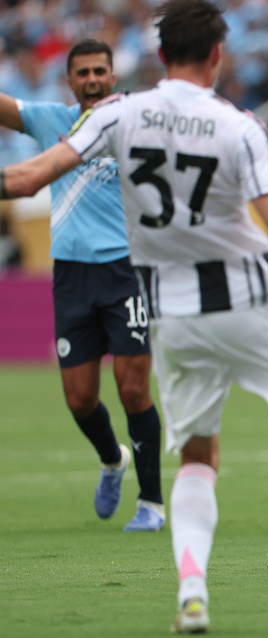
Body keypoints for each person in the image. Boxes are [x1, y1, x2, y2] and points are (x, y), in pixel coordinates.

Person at [0, 1, 268, 633]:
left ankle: (193, 593)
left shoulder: (115, 114)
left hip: (173, 316)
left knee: (195, 458)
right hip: (247, 298)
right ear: (219, 53)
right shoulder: (238, 126)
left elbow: (26, 179)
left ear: (158, 55)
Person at [0, 39, 165, 531]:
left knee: (133, 388)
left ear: (113, 77)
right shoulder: (52, 120)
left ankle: (151, 501)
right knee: (79, 398)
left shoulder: (136, 124)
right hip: (71, 275)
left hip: (127, 271)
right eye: (83, 73)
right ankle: (112, 459)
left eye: (100, 71)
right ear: (69, 81)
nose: (92, 79)